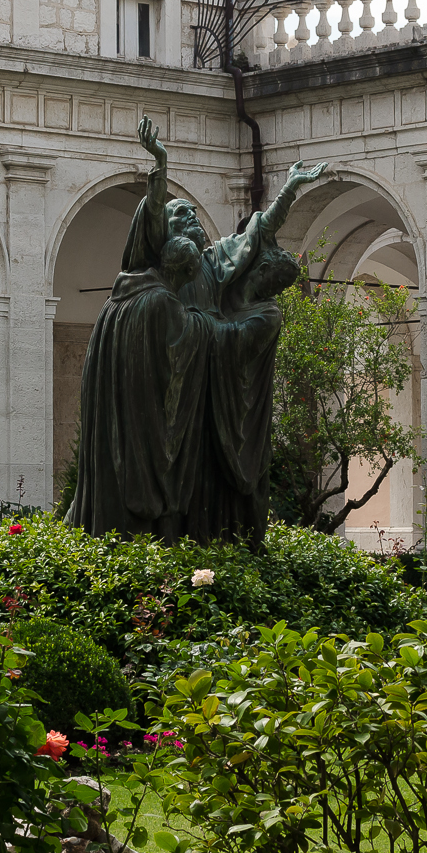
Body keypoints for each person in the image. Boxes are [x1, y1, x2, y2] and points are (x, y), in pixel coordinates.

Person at [66, 115, 325, 546]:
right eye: (180, 214)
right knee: (161, 465)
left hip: (200, 390)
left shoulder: (210, 263)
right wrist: (160, 168)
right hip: (163, 382)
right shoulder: (148, 278)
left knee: (195, 485)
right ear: (165, 232)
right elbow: (147, 224)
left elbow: (257, 233)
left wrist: (289, 190)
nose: (191, 218)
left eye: (192, 213)